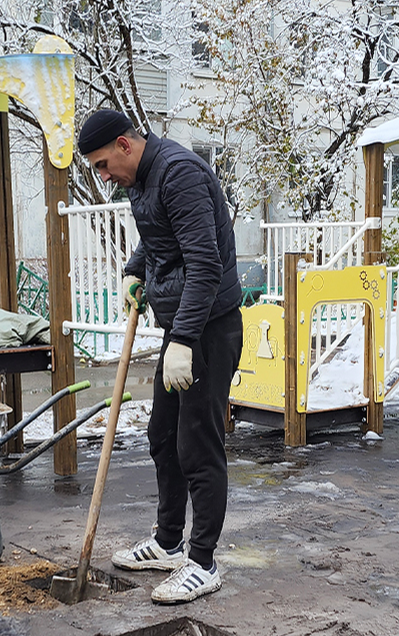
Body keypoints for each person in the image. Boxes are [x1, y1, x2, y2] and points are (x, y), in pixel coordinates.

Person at [77, 109, 243, 605]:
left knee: (198, 443)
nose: (104, 177)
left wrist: (186, 341)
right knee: (163, 437)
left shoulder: (180, 174)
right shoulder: (142, 179)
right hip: (181, 327)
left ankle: (203, 561)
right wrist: (133, 270)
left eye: (104, 164)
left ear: (125, 145)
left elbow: (205, 263)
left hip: (209, 330)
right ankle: (169, 542)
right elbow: (159, 243)